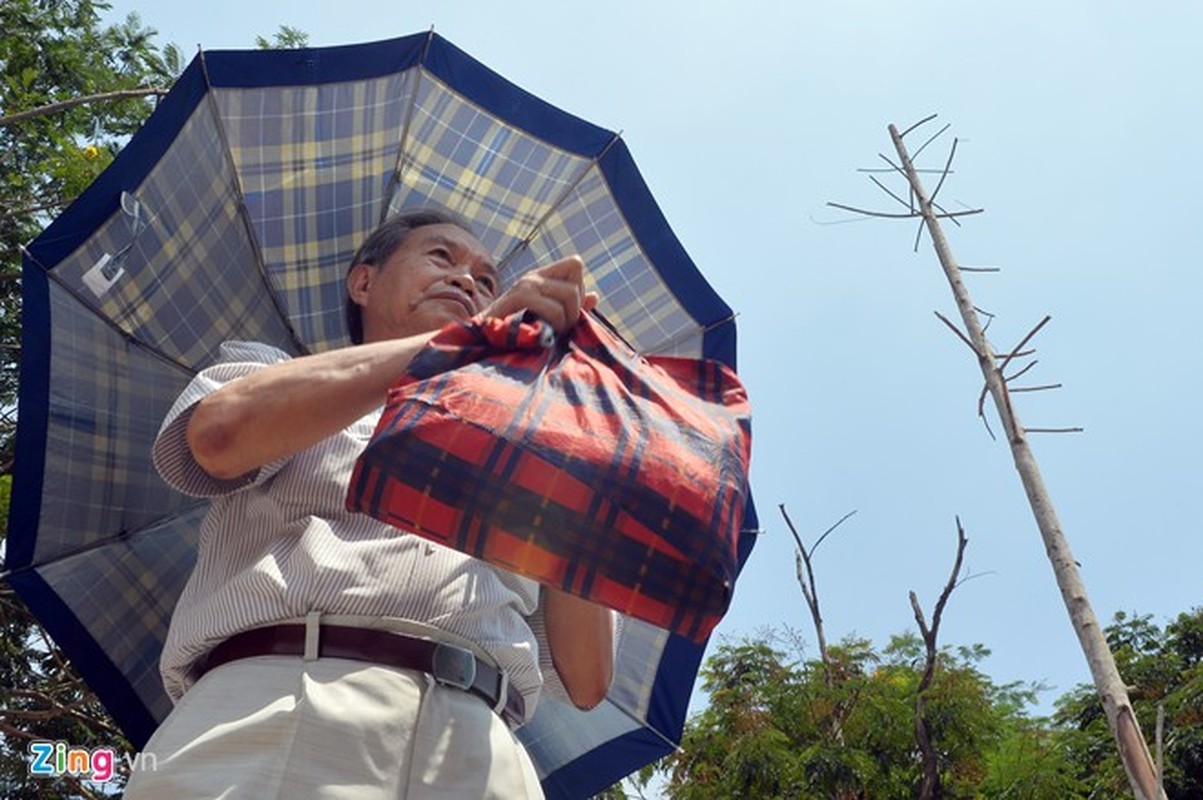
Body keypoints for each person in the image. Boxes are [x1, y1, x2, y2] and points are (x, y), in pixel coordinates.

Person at [124, 208, 615, 799]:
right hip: (283, 705)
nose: (468, 282)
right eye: (441, 257)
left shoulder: (530, 454)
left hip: (483, 747)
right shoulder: (279, 372)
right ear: (363, 282)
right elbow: (218, 438)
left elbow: (585, 678)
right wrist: (468, 340)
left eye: (486, 281)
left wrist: (569, 455)